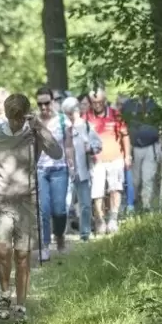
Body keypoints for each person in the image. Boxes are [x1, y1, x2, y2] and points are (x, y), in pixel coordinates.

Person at [0, 94, 62, 322]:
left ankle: (21, 303)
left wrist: (40, 127)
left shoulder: (33, 133)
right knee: (2, 249)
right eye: (12, 118)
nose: (16, 122)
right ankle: (5, 293)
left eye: (19, 118)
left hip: (26, 200)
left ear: (25, 114)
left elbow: (57, 153)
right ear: (6, 114)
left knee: (23, 255)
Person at [35, 87, 75, 260]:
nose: (44, 107)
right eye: (40, 104)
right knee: (44, 209)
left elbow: (68, 144)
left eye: (46, 103)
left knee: (59, 209)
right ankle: (44, 245)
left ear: (52, 102)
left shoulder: (62, 120)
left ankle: (59, 237)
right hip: (41, 169)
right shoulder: (34, 122)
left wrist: (71, 163)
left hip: (60, 169)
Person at [84, 88, 130, 234]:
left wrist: (127, 156)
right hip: (96, 160)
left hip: (115, 157)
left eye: (99, 102)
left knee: (115, 188)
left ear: (104, 101)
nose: (96, 105)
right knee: (97, 192)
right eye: (93, 102)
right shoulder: (85, 117)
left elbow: (125, 136)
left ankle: (113, 219)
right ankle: (100, 220)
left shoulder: (116, 115)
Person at [61, 97, 102, 241]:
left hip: (83, 172)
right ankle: (60, 234)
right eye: (67, 114)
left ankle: (85, 233)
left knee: (85, 204)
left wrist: (90, 148)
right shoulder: (65, 128)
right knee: (63, 205)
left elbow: (98, 145)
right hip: (66, 172)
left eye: (71, 113)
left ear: (77, 111)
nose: (69, 116)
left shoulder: (87, 127)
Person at [122, 96, 160, 211]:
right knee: (135, 179)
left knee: (148, 177)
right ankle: (132, 202)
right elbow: (123, 124)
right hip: (134, 146)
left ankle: (146, 205)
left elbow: (161, 124)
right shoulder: (128, 104)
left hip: (151, 145)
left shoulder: (155, 104)